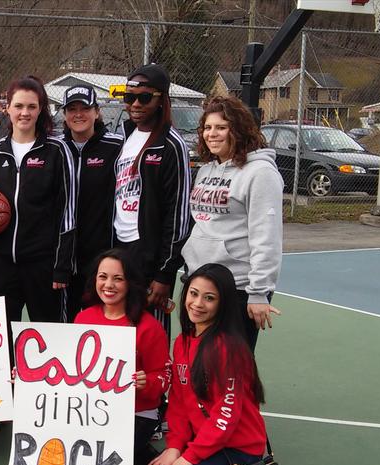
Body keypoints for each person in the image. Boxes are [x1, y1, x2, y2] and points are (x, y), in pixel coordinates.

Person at [137, 263, 270, 465]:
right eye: (193, 293)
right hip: (204, 443)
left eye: (209, 298)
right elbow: (178, 402)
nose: (198, 303)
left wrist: (190, 458)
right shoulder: (183, 342)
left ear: (223, 304)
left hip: (237, 448)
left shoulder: (229, 349)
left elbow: (226, 415)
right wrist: (175, 447)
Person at [0, 76, 76, 325]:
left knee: (47, 333)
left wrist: (61, 265)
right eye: (19, 106)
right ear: (7, 108)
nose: (24, 113)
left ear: (41, 109)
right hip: (0, 262)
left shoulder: (57, 151)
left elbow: (68, 212)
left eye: (31, 106)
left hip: (41, 263)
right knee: (2, 339)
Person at [184, 95, 283, 350]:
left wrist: (259, 292)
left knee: (231, 368)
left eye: (221, 127)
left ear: (237, 130)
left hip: (236, 287)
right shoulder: (206, 170)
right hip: (199, 283)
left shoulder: (260, 173)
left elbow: (266, 236)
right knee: (197, 359)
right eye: (207, 128)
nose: (212, 134)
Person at [115, 63, 193, 337]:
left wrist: (165, 273)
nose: (135, 104)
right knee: (120, 328)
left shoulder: (172, 145)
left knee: (151, 333)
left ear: (161, 100)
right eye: (129, 97)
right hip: (120, 246)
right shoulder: (125, 137)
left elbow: (180, 214)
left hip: (149, 254)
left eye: (144, 97)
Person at [74, 248, 169, 465]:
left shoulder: (149, 327)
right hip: (89, 409)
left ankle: (145, 455)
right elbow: (70, 367)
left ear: (131, 283)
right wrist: (28, 375)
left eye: (118, 279)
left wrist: (147, 383)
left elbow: (165, 376)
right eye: (103, 277)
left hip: (136, 413)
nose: (108, 285)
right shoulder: (82, 318)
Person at [59, 85, 124, 319]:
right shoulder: (56, 148)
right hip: (62, 258)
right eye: (72, 109)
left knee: (99, 321)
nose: (78, 114)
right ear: (64, 115)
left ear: (96, 112)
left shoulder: (116, 147)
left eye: (85, 108)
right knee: (63, 324)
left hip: (100, 255)